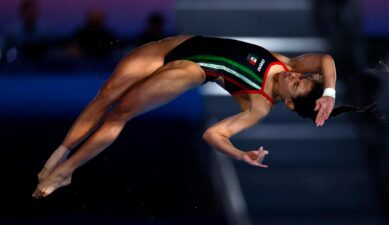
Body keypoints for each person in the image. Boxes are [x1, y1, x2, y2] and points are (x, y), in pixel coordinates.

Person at [33, 35, 344, 199]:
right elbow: (326, 60)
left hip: (190, 70)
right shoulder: (290, 62)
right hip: (173, 46)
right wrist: (328, 93)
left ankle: (66, 171)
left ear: (289, 104)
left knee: (121, 112)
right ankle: (56, 158)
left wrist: (239, 153)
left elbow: (213, 134)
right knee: (106, 95)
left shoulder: (259, 106)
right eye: (302, 78)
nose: (295, 78)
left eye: (299, 85)